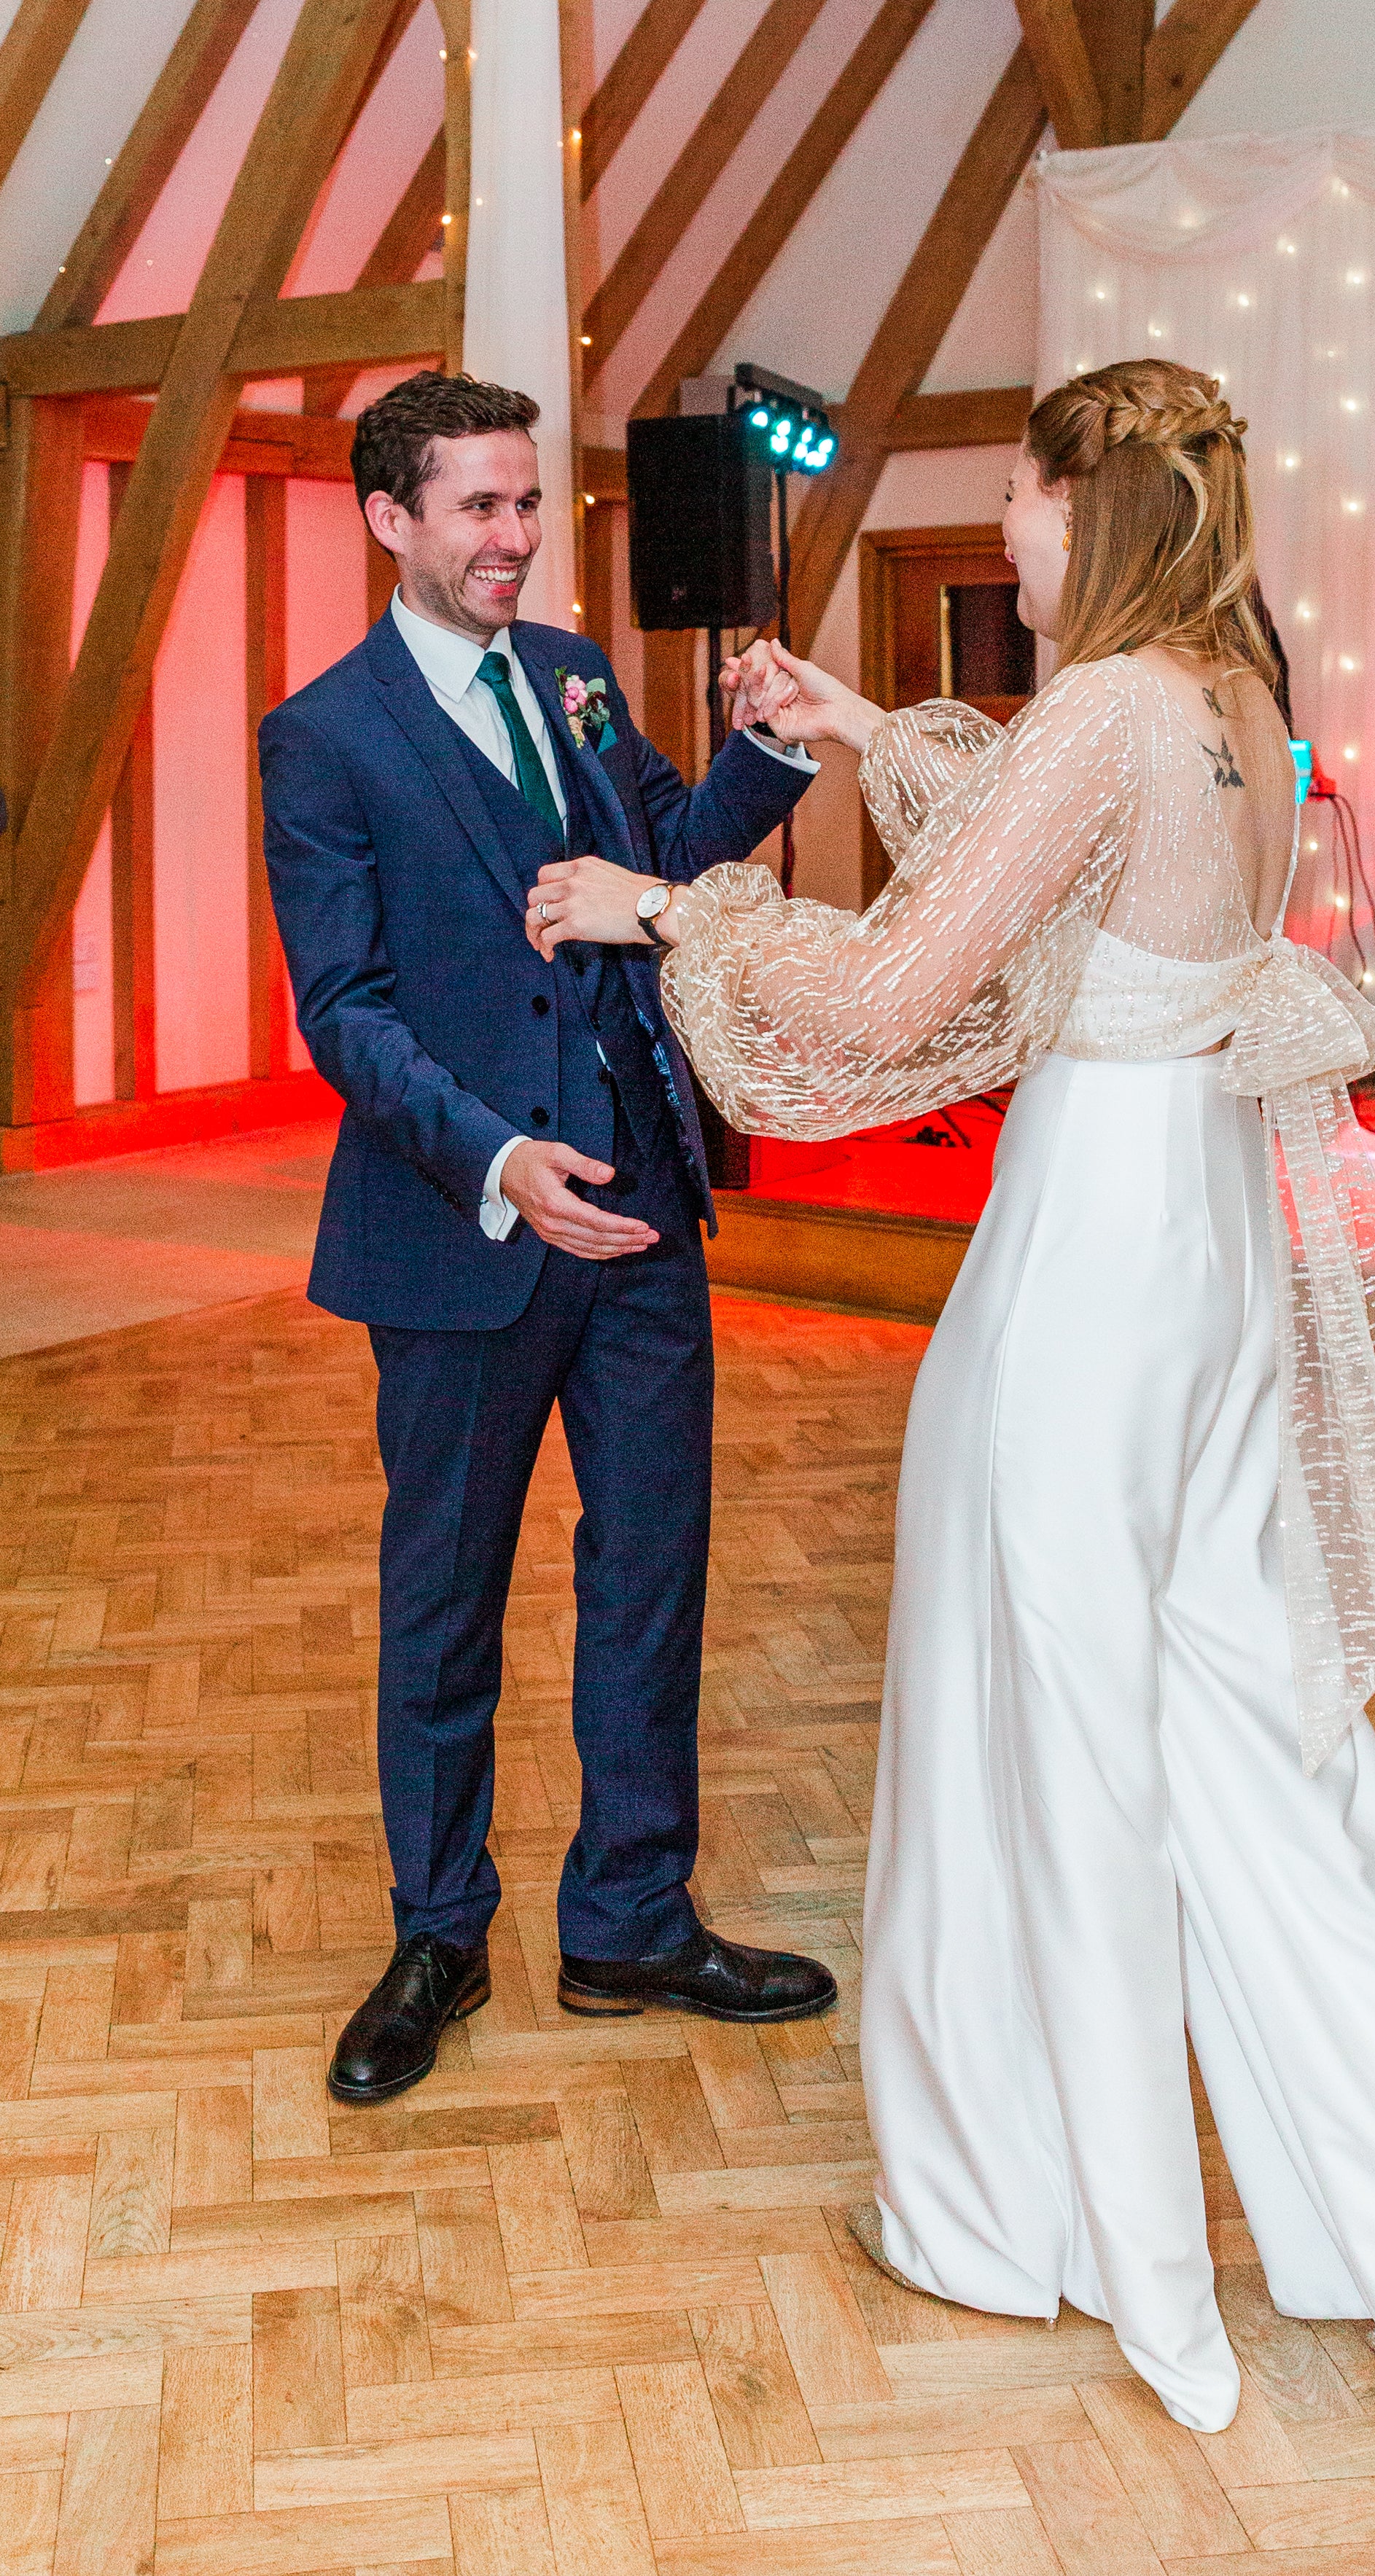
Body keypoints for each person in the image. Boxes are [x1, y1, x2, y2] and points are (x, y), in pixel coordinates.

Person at [523, 358, 1375, 2429]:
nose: (1008, 534)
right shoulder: (1231, 701)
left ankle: (1024, 2220)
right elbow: (1085, 874)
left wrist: (657, 907)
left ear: (1076, 506)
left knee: (1032, 1713)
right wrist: (862, 730)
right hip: (1205, 1245)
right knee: (1251, 1734)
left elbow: (892, 988)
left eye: (1019, 502)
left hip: (1086, 1265)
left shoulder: (1110, 705)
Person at [260, 370, 836, 2108]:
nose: (515, 537)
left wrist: (769, 751)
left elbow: (666, 857)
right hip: (467, 1235)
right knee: (444, 1603)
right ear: (391, 520)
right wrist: (499, 1160)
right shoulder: (325, 736)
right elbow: (344, 1011)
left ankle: (631, 1921)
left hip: (644, 1210)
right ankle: (437, 1935)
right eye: (479, 508)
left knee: (651, 1572)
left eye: (527, 504)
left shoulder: (575, 674)